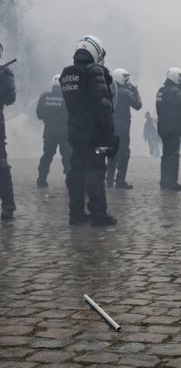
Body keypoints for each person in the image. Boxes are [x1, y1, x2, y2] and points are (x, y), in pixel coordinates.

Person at [60, 35, 117, 226]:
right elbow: (103, 105)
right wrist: (109, 135)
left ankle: (75, 213)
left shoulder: (68, 74)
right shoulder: (95, 72)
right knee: (95, 170)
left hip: (75, 132)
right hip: (95, 134)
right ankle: (99, 214)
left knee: (76, 171)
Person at [156, 67, 181, 191]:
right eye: (180, 77)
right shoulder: (175, 91)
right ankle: (171, 182)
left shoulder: (161, 90)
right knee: (173, 155)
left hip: (163, 126)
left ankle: (164, 180)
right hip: (173, 127)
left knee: (166, 154)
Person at [106, 68, 142, 189]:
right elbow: (138, 105)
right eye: (126, 78)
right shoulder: (124, 92)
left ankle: (109, 180)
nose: (128, 81)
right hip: (122, 126)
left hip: (110, 125)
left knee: (112, 153)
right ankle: (120, 180)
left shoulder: (109, 90)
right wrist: (135, 91)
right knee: (124, 153)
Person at [36, 74, 71, 187]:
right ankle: (70, 180)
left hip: (49, 131)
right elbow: (73, 115)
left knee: (47, 155)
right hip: (65, 132)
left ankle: (41, 179)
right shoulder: (68, 97)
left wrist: (48, 120)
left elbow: (39, 113)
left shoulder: (45, 96)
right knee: (67, 156)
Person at [0, 41, 16, 220]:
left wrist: (4, 79)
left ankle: (8, 206)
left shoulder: (4, 74)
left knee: (1, 166)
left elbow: (10, 98)